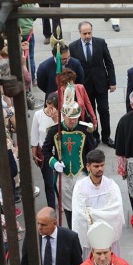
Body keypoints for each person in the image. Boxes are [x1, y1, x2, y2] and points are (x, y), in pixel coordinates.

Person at [41, 96, 95, 228]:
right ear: (63, 116)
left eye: (75, 117)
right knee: (69, 207)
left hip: (81, 173)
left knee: (83, 204)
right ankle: (72, 229)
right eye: (70, 118)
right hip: (63, 175)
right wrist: (54, 163)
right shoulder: (54, 130)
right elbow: (46, 150)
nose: (72, 121)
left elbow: (92, 151)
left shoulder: (85, 130)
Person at [68, 21, 118, 148]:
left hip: (101, 83)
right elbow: (71, 68)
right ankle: (95, 136)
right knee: (91, 112)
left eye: (89, 33)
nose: (87, 36)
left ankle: (106, 136)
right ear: (80, 33)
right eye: (84, 33)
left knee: (104, 110)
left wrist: (112, 82)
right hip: (85, 86)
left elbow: (109, 63)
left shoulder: (100, 43)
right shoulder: (73, 47)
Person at [71, 149, 124, 259]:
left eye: (102, 165)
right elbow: (80, 215)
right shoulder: (80, 187)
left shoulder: (111, 186)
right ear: (88, 166)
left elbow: (116, 213)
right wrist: (103, 216)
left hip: (109, 238)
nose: (100, 169)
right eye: (96, 166)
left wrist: (91, 213)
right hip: (90, 240)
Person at [31, 92, 58, 208]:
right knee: (49, 182)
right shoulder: (38, 115)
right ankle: (51, 207)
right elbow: (34, 134)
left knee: (59, 180)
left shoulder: (60, 115)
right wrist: (34, 150)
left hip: (58, 152)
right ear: (46, 103)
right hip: (46, 153)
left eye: (54, 107)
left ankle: (62, 200)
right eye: (50, 106)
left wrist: (56, 119)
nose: (52, 109)